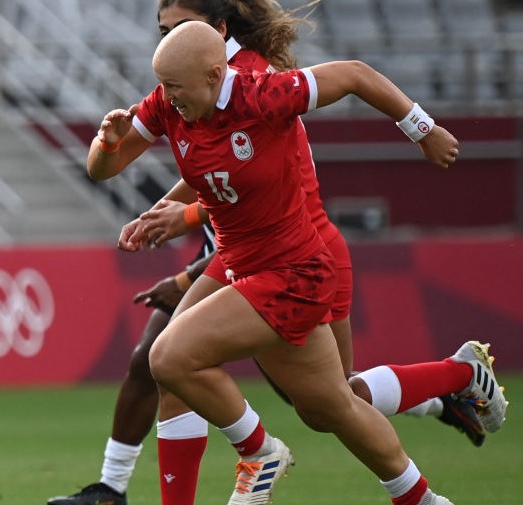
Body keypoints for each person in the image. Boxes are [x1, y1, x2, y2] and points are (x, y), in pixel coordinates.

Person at [47, 2, 491, 504]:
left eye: (175, 86)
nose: (166, 98)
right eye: (163, 82)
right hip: (247, 269)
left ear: (214, 71)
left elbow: (353, 74)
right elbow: (103, 169)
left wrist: (423, 129)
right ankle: (426, 497)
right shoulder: (172, 99)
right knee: (332, 407)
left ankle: (258, 453)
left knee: (168, 358)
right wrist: (107, 143)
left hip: (295, 272)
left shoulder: (263, 93)